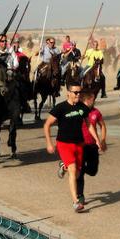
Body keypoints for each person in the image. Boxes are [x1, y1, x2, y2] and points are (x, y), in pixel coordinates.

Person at [44, 83, 101, 212]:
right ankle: (76, 202)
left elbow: (89, 124)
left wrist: (96, 139)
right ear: (68, 93)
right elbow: (47, 125)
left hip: (79, 144)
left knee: (77, 173)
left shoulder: (82, 107)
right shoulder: (60, 108)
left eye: (79, 92)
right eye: (75, 92)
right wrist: (49, 143)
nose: (78, 95)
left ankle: (63, 166)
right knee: (73, 170)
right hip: (64, 144)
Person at [74, 91, 107, 205]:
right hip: (80, 146)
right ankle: (80, 195)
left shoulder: (96, 112)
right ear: (86, 100)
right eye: (93, 99)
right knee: (81, 171)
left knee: (93, 171)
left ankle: (70, 168)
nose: (94, 101)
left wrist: (102, 140)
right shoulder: (77, 111)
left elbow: (102, 125)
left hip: (93, 145)